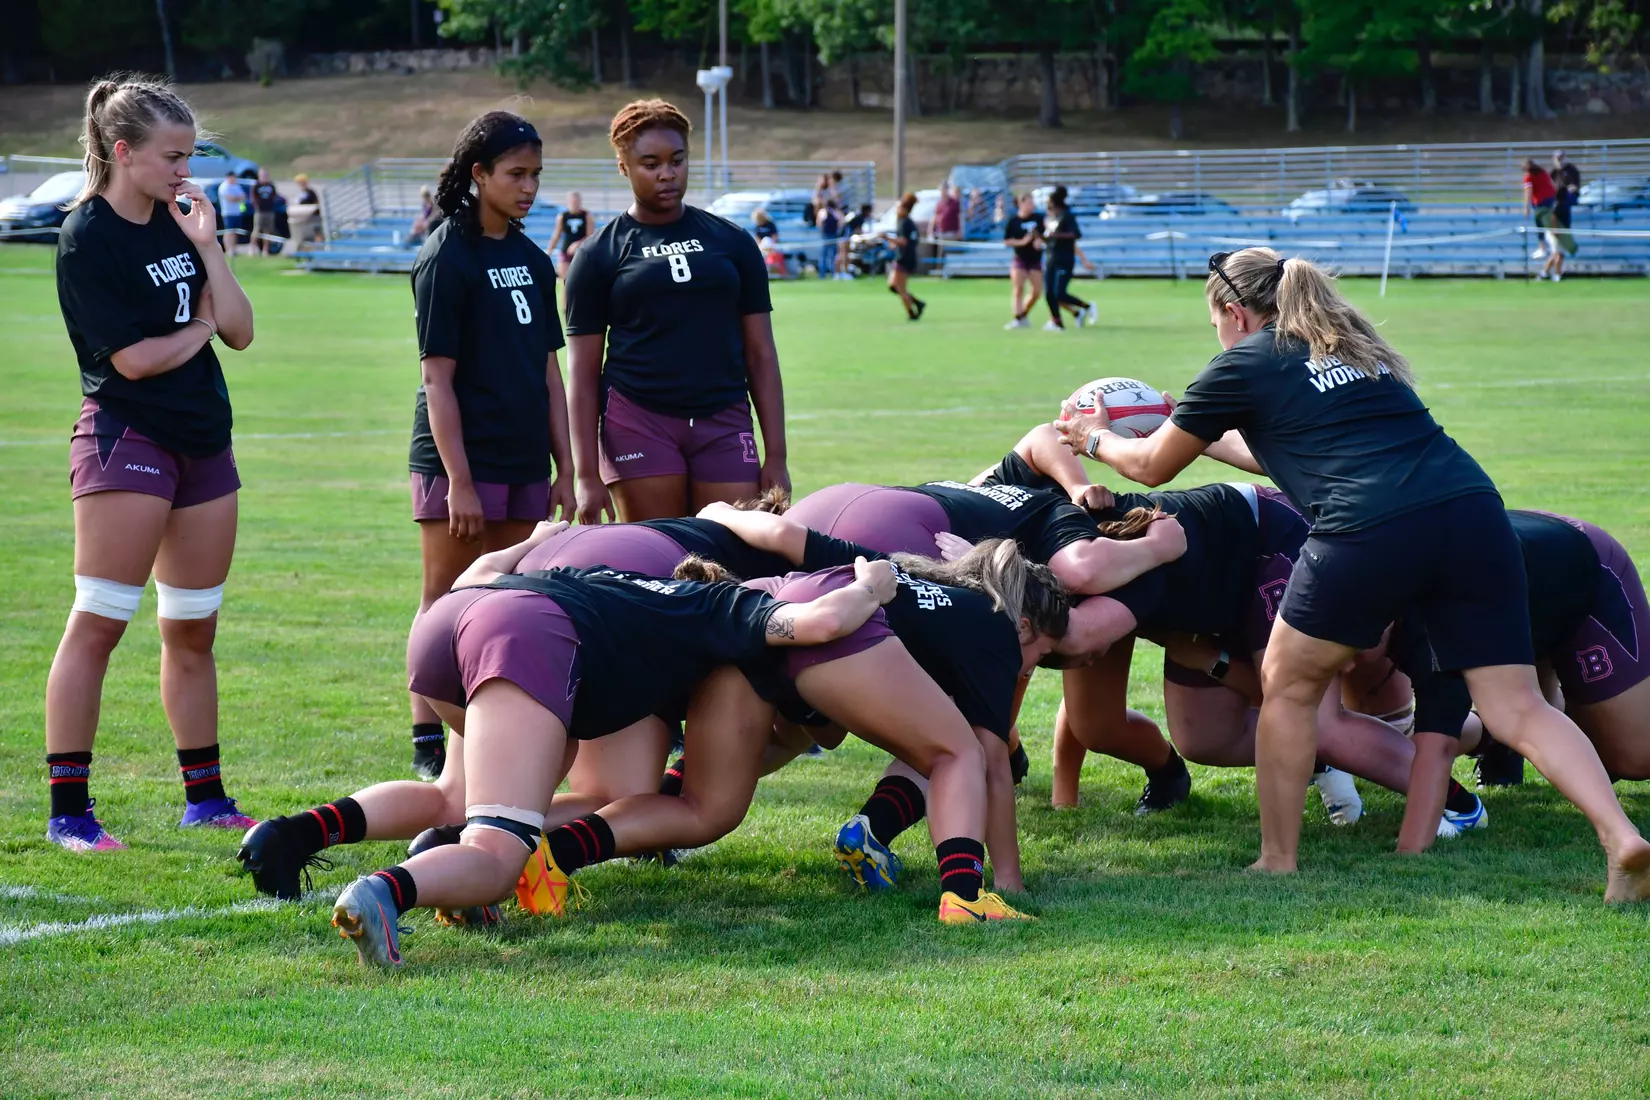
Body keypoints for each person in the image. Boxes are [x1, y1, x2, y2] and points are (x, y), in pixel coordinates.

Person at [1055, 245, 1650, 903]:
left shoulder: (1241, 362)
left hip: (1370, 524)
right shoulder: (1350, 346)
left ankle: (1278, 859)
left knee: (1287, 685)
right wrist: (1188, 423)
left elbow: (1148, 469)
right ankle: (1619, 837)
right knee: (1516, 705)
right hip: (1472, 509)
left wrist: (1092, 439)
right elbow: (1285, 447)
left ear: (1232, 312)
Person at [319, 549, 895, 966]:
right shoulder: (720, 608)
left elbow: (483, 570)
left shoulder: (620, 581)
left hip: (449, 625)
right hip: (523, 638)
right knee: (496, 859)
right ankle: (385, 892)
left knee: (529, 782)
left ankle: (457, 881)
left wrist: (538, 535)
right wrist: (873, 584)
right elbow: (822, 622)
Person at [540, 506, 1060, 917]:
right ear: (1025, 626)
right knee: (959, 753)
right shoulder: (997, 628)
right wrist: (1010, 879)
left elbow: (803, 549)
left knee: (709, 810)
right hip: (827, 620)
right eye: (1042, 653)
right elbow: (992, 763)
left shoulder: (927, 586)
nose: (1031, 665)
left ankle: (554, 855)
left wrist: (721, 511)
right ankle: (966, 898)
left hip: (763, 612)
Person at [45, 75, 257, 850]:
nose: (184, 171)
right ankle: (70, 812)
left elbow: (239, 328)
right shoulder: (87, 236)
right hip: (127, 439)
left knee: (193, 631)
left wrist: (207, 248)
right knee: (99, 622)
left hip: (205, 440)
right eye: (172, 156)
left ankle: (206, 799)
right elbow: (133, 361)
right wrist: (200, 328)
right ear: (122, 151)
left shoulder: (185, 222)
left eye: (190, 155)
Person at [403, 110, 576, 779]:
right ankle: (427, 738)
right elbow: (436, 378)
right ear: (479, 174)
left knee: (510, 597)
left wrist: (567, 468)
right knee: (444, 598)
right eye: (515, 174)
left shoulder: (532, 258)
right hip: (460, 463)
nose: (529, 187)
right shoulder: (448, 254)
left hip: (525, 458)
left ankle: (492, 731)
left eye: (536, 174)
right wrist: (461, 482)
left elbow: (548, 373)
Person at [564, 99, 789, 524]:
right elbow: (582, 374)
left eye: (677, 160)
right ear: (623, 167)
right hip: (638, 420)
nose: (667, 173)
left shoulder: (733, 242)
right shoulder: (597, 255)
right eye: (650, 163)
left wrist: (775, 456)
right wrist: (586, 474)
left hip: (723, 418)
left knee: (727, 563)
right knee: (657, 561)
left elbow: (761, 354)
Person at [1391, 509, 1650, 851]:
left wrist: (1408, 850)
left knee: (1631, 756)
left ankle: (1511, 728)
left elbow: (1436, 744)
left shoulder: (1430, 618)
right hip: (1515, 593)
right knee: (1405, 726)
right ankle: (1497, 737)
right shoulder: (1338, 597)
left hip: (1574, 565)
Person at [1042, 185, 1096, 331]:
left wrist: (1057, 236)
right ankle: (1057, 323)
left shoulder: (1067, 216)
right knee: (1048, 293)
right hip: (1050, 258)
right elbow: (1049, 239)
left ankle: (1087, 306)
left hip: (1064, 259)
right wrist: (1039, 236)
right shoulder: (1050, 217)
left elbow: (1076, 234)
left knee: (1059, 293)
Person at [1002, 193, 1044, 330]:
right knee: (1018, 288)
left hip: (1035, 259)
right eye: (1029, 203)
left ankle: (1023, 315)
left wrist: (1040, 241)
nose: (1032, 205)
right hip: (1020, 258)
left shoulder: (1038, 218)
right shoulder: (1013, 221)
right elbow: (1007, 241)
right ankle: (1018, 318)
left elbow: (1044, 235)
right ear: (1021, 204)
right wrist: (1022, 242)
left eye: (1033, 203)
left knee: (1036, 292)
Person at [885, 192, 924, 321]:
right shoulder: (909, 223)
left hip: (904, 258)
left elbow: (904, 241)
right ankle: (917, 302)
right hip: (908, 256)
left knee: (900, 288)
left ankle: (912, 313)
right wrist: (894, 243)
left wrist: (887, 238)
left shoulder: (904, 222)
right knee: (893, 285)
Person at [1545, 151, 1581, 282]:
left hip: (1562, 227)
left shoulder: (1571, 171)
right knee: (1558, 253)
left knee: (1558, 253)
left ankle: (1546, 273)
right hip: (1556, 229)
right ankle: (1555, 275)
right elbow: (1552, 218)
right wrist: (1555, 231)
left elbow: (1575, 188)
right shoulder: (1555, 205)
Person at [545, 190, 590, 278]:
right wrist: (549, 251)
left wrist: (577, 244)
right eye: (572, 201)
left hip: (582, 252)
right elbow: (556, 235)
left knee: (580, 280)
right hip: (566, 250)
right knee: (564, 280)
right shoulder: (562, 216)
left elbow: (590, 237)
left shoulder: (586, 216)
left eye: (576, 201)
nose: (574, 204)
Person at [249, 167, 279, 256]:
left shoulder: (271, 185)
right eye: (262, 175)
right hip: (260, 211)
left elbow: (274, 196)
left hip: (269, 211)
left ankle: (265, 250)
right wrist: (257, 206)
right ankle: (252, 249)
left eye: (265, 175)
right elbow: (253, 198)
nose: (264, 177)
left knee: (268, 231)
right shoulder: (256, 186)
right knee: (257, 230)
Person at [217, 170, 246, 255]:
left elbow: (243, 196)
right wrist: (237, 198)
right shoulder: (224, 187)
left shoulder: (237, 186)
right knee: (229, 232)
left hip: (237, 212)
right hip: (228, 213)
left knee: (236, 232)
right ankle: (228, 249)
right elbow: (230, 198)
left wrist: (237, 198)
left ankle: (234, 249)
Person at [292, 173, 323, 245]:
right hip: (303, 217)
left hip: (312, 217)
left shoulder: (310, 192)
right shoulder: (300, 193)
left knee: (316, 232)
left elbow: (316, 203)